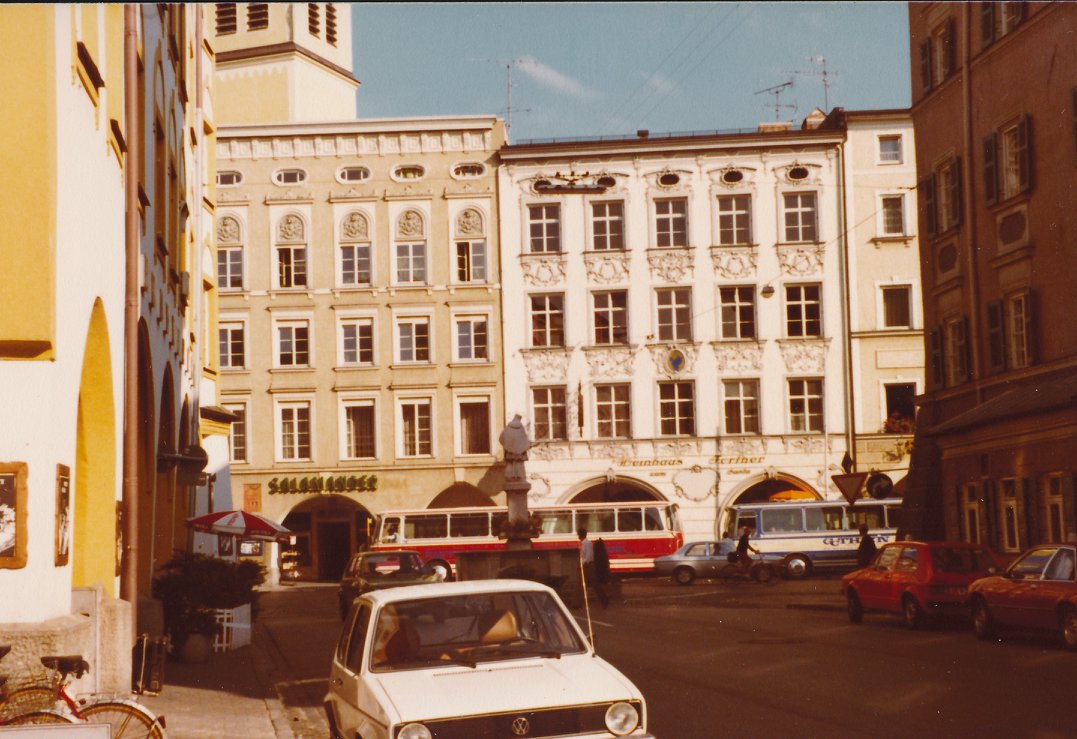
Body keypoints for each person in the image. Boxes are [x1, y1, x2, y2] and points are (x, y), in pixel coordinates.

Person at [578, 528, 609, 608]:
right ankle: (577, 603)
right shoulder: (584, 543)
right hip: (587, 565)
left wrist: (582, 562)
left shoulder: (587, 543)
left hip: (588, 565)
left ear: (580, 535)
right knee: (585, 584)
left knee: (592, 584)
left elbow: (588, 555)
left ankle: (604, 600)